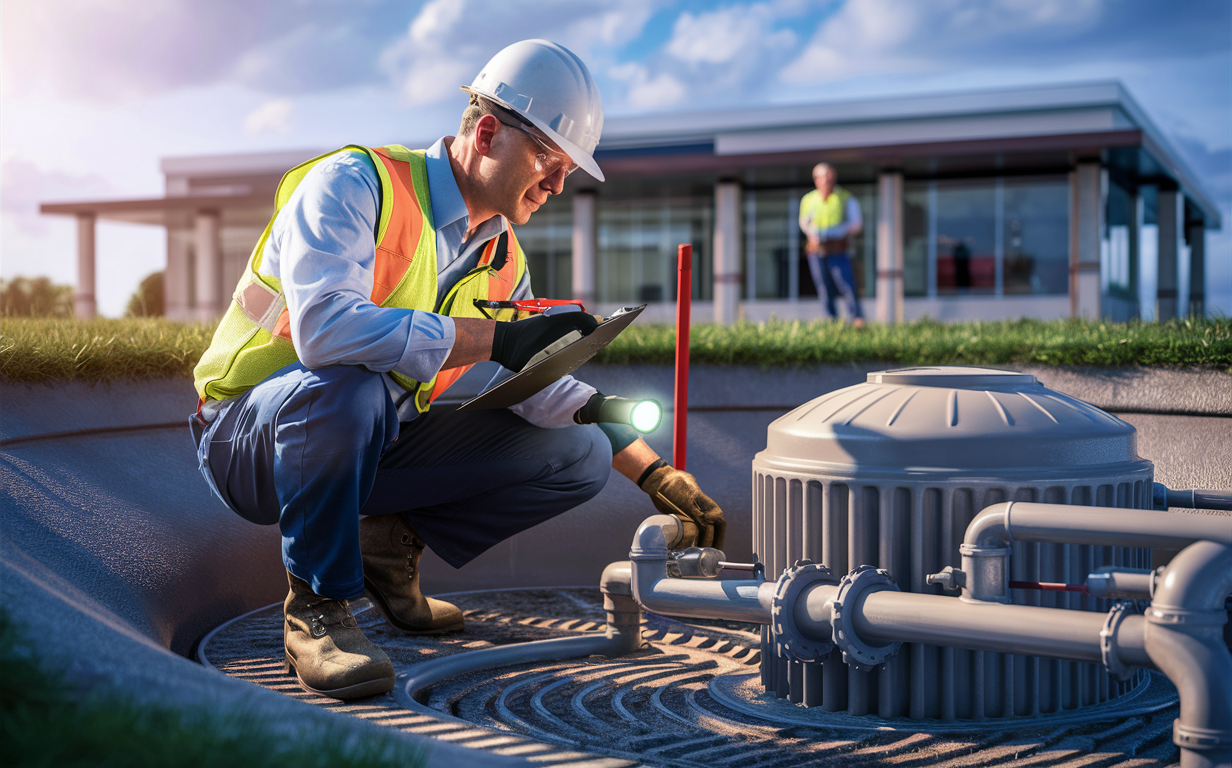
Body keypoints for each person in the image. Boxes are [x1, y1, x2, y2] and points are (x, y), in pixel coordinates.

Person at [189, 40, 726, 701]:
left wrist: (655, 472)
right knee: (351, 387)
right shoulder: (355, 185)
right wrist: (495, 338)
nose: (559, 185)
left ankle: (387, 549)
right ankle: (318, 609)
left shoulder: (503, 256)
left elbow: (541, 388)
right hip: (255, 437)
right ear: (489, 132)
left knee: (580, 453)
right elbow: (324, 332)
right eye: (549, 162)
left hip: (370, 440)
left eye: (568, 171)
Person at [798, 163, 865, 326]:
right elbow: (804, 222)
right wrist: (812, 233)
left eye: (827, 176)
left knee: (847, 284)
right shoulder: (809, 199)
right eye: (820, 177)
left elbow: (856, 224)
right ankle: (831, 321)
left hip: (838, 249)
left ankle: (857, 318)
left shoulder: (845, 198)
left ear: (833, 177)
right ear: (815, 179)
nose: (824, 180)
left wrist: (836, 231)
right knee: (823, 287)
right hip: (817, 250)